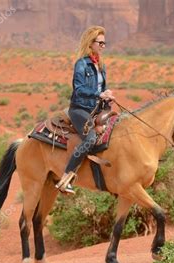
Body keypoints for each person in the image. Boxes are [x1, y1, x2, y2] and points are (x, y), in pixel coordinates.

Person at [55, 26, 115, 194]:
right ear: (91, 43)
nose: (103, 46)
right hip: (80, 109)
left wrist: (108, 98)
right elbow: (79, 89)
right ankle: (66, 177)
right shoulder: (81, 64)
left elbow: (104, 88)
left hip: (96, 109)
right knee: (89, 138)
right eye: (100, 43)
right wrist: (99, 94)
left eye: (105, 43)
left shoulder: (101, 65)